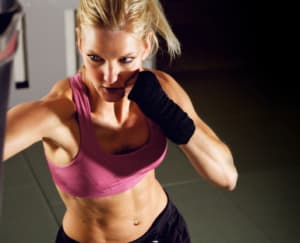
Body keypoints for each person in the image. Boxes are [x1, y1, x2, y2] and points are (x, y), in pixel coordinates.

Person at [3, 0, 238, 242]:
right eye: (96, 58)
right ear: (80, 43)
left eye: (125, 60)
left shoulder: (162, 90)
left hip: (166, 231)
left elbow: (226, 176)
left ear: (146, 46)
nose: (110, 76)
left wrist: (170, 115)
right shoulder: (60, 113)